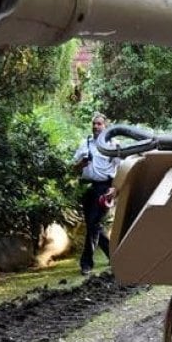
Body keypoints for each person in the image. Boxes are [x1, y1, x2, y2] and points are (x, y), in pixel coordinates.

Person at [73, 113, 119, 275]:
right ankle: (114, 256)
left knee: (93, 224)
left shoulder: (113, 145)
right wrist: (81, 163)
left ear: (105, 127)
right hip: (88, 188)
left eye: (99, 124)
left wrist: (115, 189)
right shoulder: (85, 144)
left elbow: (120, 169)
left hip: (105, 188)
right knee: (94, 225)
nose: (96, 126)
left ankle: (86, 263)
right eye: (94, 124)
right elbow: (74, 168)